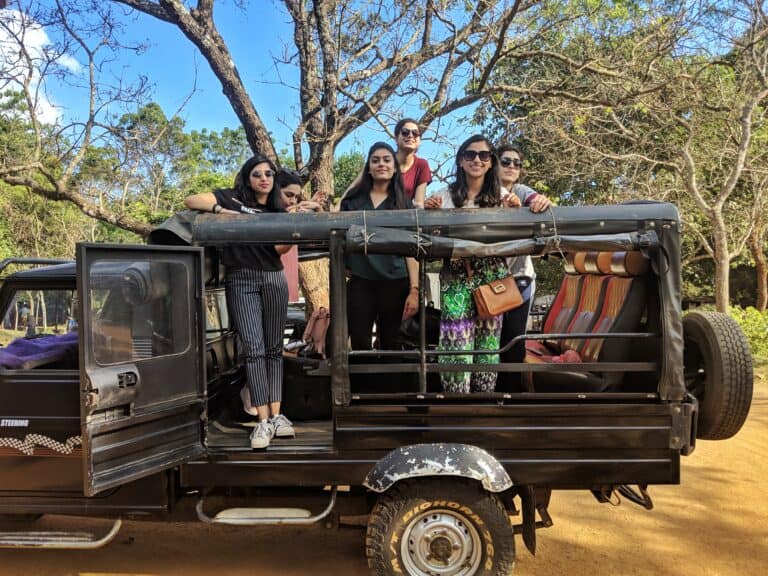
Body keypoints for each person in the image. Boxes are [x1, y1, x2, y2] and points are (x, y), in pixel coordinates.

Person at [184, 154, 294, 450]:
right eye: (257, 174)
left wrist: (295, 222)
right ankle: (261, 421)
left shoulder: (276, 209)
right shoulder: (232, 199)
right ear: (247, 177)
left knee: (274, 349)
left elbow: (279, 249)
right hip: (241, 279)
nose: (264, 179)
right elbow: (191, 201)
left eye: (269, 174)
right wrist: (223, 211)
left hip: (273, 277)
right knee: (254, 350)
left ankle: (277, 415)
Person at [424, 135, 521, 393]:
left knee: (488, 347)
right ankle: (457, 412)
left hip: (492, 274)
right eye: (470, 154)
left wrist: (516, 210)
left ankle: (482, 410)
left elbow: (515, 237)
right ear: (460, 161)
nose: (476, 160)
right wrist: (429, 213)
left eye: (484, 155)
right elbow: (431, 238)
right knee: (455, 345)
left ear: (491, 163)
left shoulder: (503, 196)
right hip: (456, 274)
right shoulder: (444, 196)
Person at [340, 142, 420, 351]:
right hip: (361, 283)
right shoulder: (353, 201)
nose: (381, 164)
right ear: (367, 167)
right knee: (359, 343)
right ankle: (363, 386)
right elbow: (334, 219)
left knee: (391, 344)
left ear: (395, 167)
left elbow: (411, 251)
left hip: (396, 283)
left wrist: (414, 290)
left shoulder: (404, 203)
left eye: (387, 160)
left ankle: (389, 385)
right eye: (375, 161)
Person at [496, 144, 552, 388]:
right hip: (487, 277)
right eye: (505, 161)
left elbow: (535, 199)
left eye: (516, 163)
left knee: (514, 338)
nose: (511, 166)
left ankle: (509, 397)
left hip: (518, 277)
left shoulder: (520, 190)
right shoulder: (482, 194)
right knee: (490, 340)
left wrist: (540, 201)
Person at [275, 169, 325, 302]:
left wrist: (315, 207)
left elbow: (320, 231)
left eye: (296, 197)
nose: (293, 201)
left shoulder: (292, 212)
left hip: (281, 281)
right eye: (289, 195)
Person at [393, 118, 432, 207]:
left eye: (415, 133)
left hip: (404, 217)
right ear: (396, 138)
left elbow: (419, 204)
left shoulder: (422, 165)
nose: (410, 136)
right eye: (405, 132)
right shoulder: (383, 160)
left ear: (420, 141)